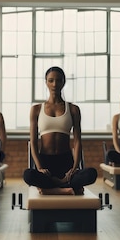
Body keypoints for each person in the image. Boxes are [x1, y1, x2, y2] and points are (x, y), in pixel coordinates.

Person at [23, 66, 98, 195]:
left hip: (66, 162)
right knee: (28, 175)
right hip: (45, 163)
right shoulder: (36, 109)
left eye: (58, 80)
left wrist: (74, 168)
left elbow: (77, 142)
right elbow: (34, 142)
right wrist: (40, 168)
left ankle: (51, 188)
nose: (54, 84)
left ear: (63, 82)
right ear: (46, 82)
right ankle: (64, 187)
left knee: (91, 174)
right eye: (51, 80)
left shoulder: (73, 109)